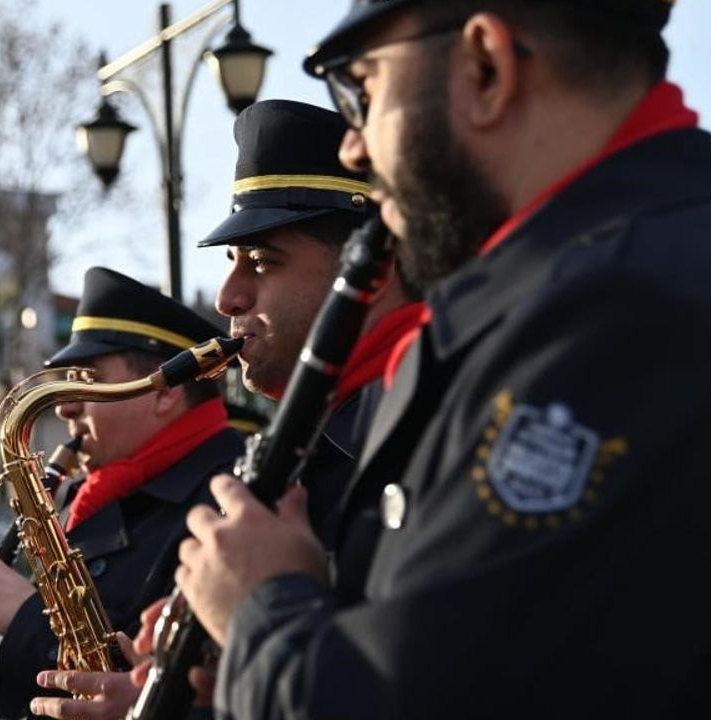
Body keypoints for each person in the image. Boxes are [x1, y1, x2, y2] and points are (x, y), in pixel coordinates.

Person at [175, 1, 711, 718]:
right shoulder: (606, 282)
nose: (353, 148)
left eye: (363, 90)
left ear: (484, 66)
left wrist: (262, 610)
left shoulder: (625, 307)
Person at [30, 100, 422, 719]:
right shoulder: (320, 438)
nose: (227, 295)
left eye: (262, 262)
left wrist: (264, 607)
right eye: (231, 262)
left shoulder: (421, 429)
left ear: (376, 266)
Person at [0, 267, 246, 720]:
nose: (66, 406)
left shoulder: (234, 497)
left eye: (85, 378)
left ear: (163, 394)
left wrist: (30, 618)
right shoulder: (89, 500)